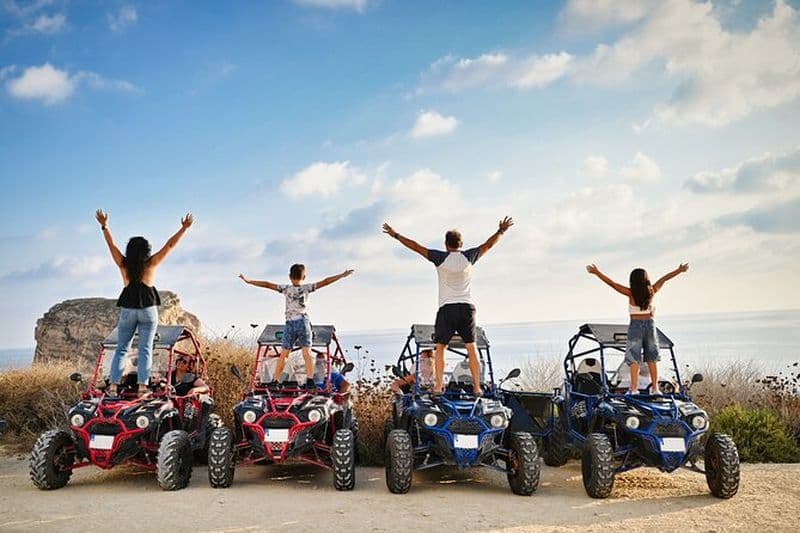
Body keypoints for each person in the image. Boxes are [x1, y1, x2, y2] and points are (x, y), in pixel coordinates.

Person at [383, 217, 514, 396]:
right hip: (467, 308)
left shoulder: (440, 258)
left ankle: (438, 387)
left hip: (447, 308)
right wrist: (501, 231)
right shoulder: (469, 257)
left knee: (441, 347)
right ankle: (476, 387)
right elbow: (488, 245)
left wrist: (396, 235)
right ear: (461, 244)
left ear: (446, 244)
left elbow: (415, 246)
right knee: (471, 347)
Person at [96, 210, 193, 397]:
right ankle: (142, 387)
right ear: (146, 251)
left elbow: (111, 244)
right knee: (146, 348)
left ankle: (114, 386)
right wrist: (184, 229)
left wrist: (104, 226)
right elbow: (170, 245)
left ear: (129, 250)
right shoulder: (151, 263)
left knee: (122, 348)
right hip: (148, 310)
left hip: (127, 310)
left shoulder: (123, 264)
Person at [238, 265, 354, 390]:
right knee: (307, 352)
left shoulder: (285, 289)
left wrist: (249, 281)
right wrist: (342, 275)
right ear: (304, 276)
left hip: (289, 323)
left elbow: (267, 284)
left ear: (289, 277)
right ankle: (310, 380)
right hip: (302, 322)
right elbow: (325, 281)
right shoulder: (307, 288)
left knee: (284, 354)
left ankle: (276, 380)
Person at [586, 263, 689, 395]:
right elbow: (664, 278)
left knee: (634, 358)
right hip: (650, 325)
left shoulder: (630, 293)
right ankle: (655, 389)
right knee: (652, 358)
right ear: (646, 279)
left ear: (632, 280)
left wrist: (597, 272)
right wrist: (679, 270)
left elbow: (612, 284)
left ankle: (634, 389)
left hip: (635, 326)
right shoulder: (652, 291)